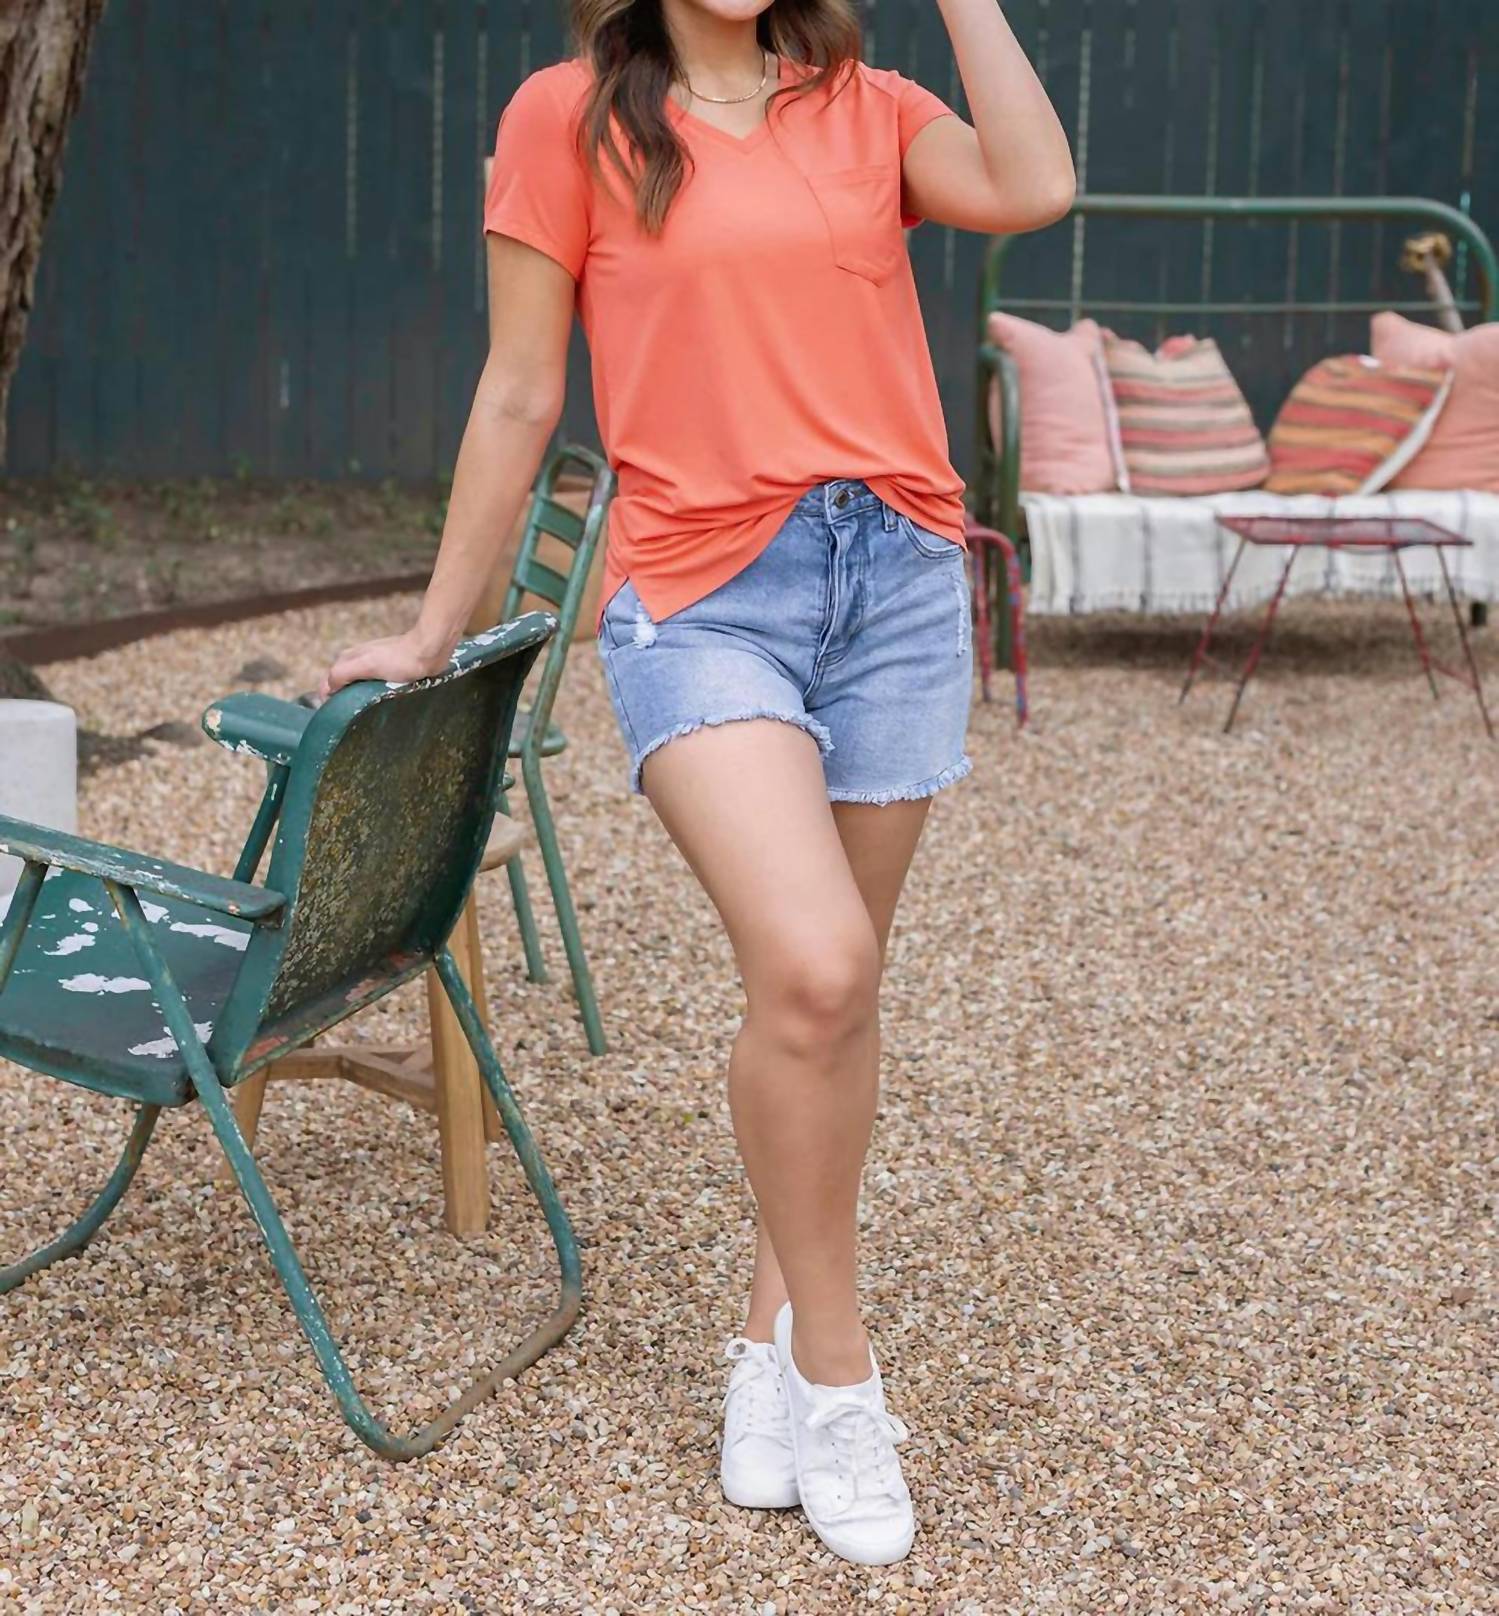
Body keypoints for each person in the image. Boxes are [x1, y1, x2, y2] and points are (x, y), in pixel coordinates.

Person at [320, 0, 1073, 1567]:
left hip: (899, 578)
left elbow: (1034, 184)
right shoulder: (567, 118)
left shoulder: (868, 106)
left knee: (831, 1002)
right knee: (817, 962)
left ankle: (763, 1347)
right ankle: (841, 1381)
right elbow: (520, 391)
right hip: (704, 594)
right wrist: (434, 628)